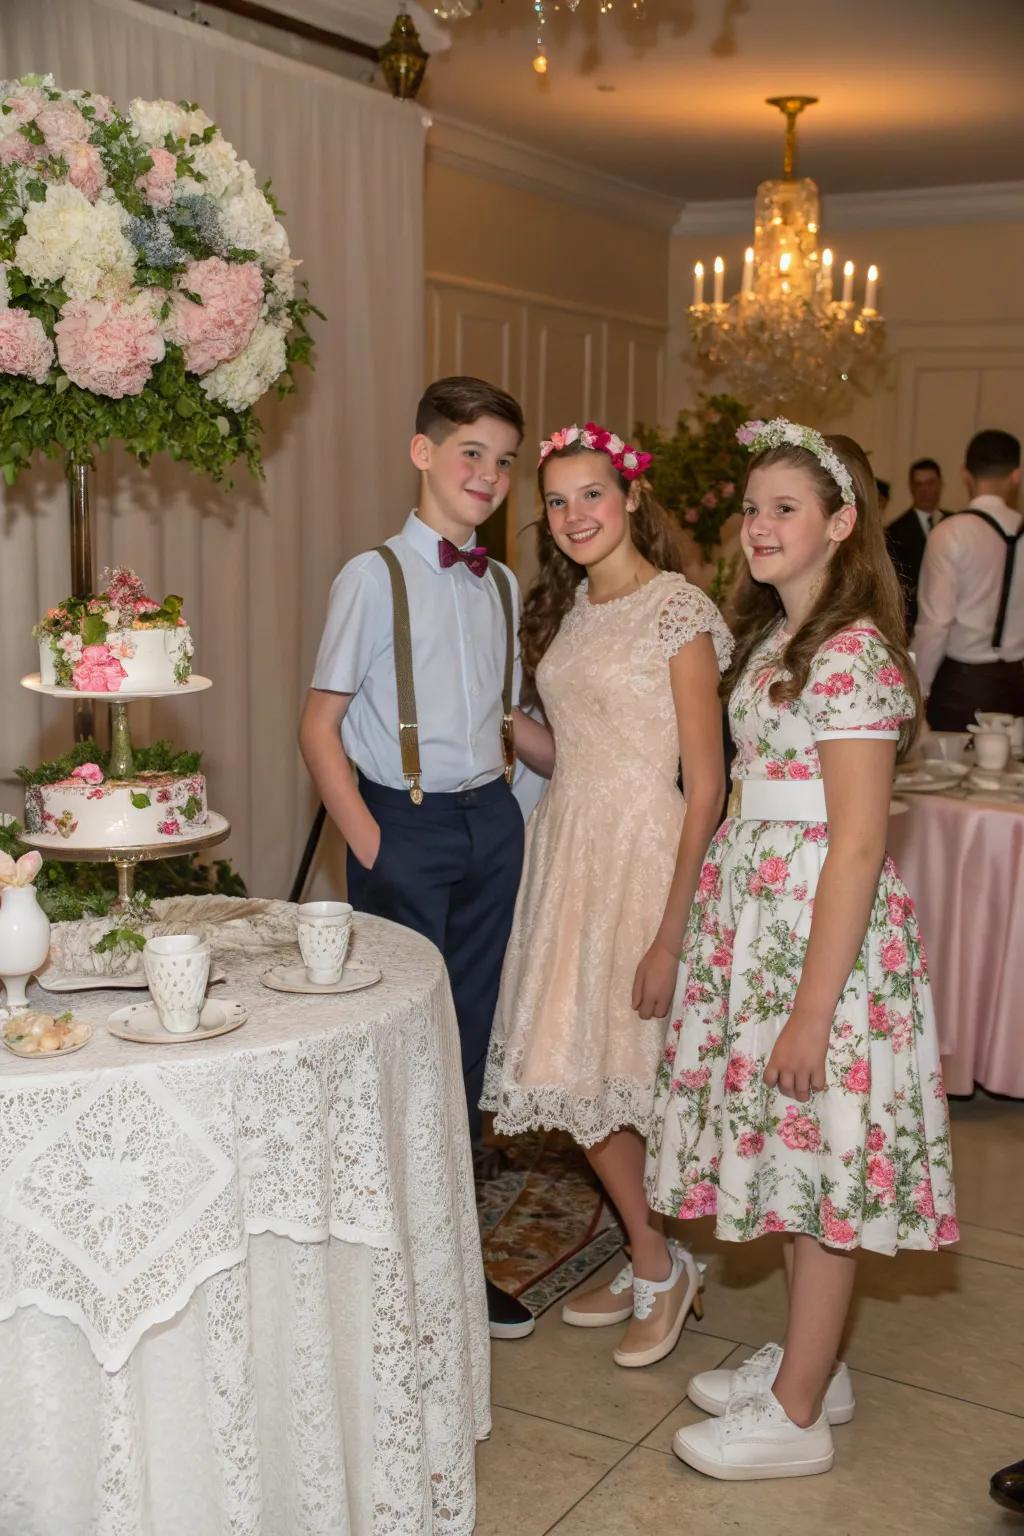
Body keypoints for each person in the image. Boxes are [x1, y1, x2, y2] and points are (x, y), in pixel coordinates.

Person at [646, 418, 959, 1481]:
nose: (759, 525)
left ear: (838, 524)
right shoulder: (776, 643)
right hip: (763, 928)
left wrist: (815, 1008)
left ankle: (795, 1415)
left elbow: (859, 839)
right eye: (750, 507)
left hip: (820, 940)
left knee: (822, 1166)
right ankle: (815, 1365)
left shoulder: (853, 653)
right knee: (791, 1158)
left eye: (786, 508)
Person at [299, 375, 552, 1340]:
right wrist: (368, 839)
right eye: (469, 453)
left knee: (471, 1049)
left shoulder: (502, 583)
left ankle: (455, 1261)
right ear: (423, 453)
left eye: (502, 461)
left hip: (491, 825)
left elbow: (506, 715)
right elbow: (319, 726)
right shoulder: (372, 577)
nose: (487, 476)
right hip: (402, 830)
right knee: (401, 1047)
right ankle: (389, 1263)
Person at [481, 421, 733, 1368]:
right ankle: (649, 1248)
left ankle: (657, 1262)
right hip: (568, 850)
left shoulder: (679, 610)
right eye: (557, 501)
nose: (575, 514)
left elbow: (704, 785)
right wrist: (498, 717)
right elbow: (569, 750)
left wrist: (671, 935)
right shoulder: (574, 610)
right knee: (575, 1067)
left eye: (592, 494)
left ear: (629, 499)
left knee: (622, 1067)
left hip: (641, 854)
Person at [913, 429, 1024, 730]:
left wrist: (918, 689)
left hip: (962, 685)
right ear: (1016, 475)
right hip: (1017, 683)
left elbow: (936, 623)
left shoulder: (950, 533)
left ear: (965, 474)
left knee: (949, 773)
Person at [884, 457, 950, 632]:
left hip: (955, 622)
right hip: (915, 623)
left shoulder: (955, 521)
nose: (925, 490)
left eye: (930, 483)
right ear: (911, 488)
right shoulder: (895, 531)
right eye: (919, 484)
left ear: (940, 484)